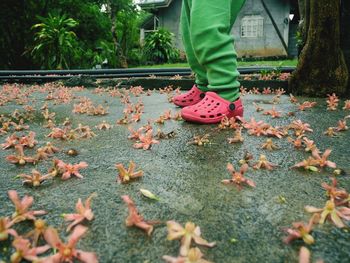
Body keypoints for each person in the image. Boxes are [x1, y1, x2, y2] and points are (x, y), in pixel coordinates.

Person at [173, 0, 246, 124]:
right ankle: (204, 84)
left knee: (207, 20)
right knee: (189, 27)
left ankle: (226, 93)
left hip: (227, 96)